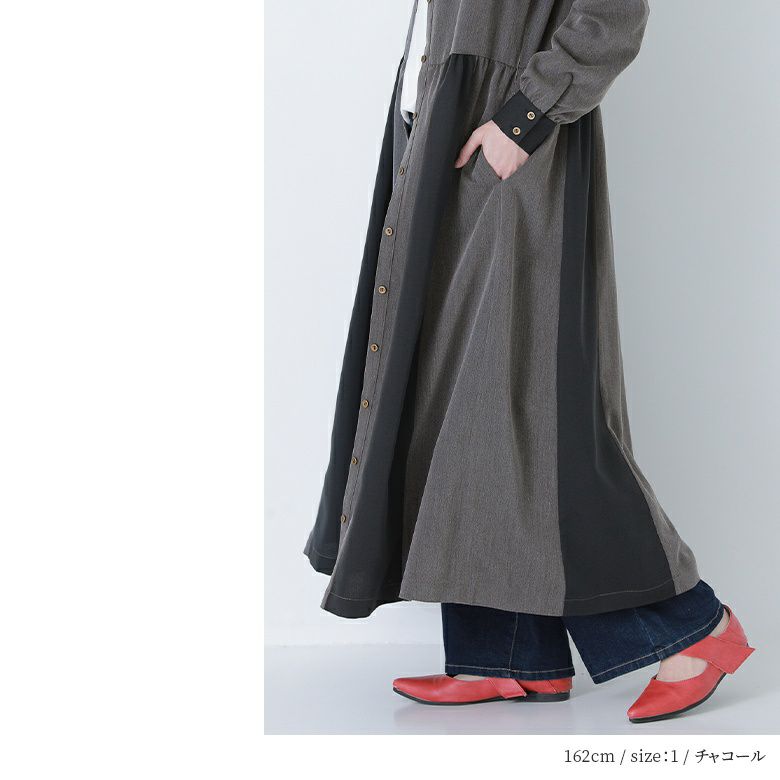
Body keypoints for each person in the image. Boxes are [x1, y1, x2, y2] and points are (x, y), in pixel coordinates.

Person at [304, 0, 754, 722]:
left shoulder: (517, 130)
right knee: (466, 401)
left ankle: (693, 630)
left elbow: (613, 11)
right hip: (441, 133)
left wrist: (523, 119)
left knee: (533, 406)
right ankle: (508, 656)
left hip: (513, 154)